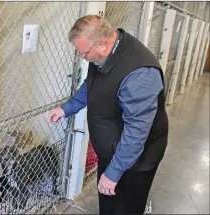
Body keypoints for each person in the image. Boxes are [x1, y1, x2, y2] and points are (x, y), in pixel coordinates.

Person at [49, 15, 169, 214]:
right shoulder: (104, 55)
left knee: (126, 207)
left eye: (83, 53)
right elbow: (92, 84)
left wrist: (113, 173)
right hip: (112, 150)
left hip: (138, 157)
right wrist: (66, 108)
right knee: (108, 204)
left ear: (102, 44)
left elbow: (136, 133)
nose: (82, 58)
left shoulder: (140, 74)